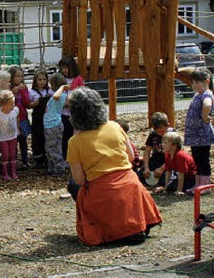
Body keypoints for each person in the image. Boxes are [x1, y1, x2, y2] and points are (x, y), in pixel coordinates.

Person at [66, 87, 162, 246]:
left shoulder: (74, 142)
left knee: (73, 184)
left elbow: (80, 179)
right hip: (129, 185)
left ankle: (103, 225)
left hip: (102, 191)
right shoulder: (115, 126)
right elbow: (131, 157)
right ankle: (136, 224)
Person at [184, 68, 214, 194]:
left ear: (206, 81)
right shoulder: (198, 95)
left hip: (202, 135)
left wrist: (205, 116)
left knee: (203, 160)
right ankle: (197, 185)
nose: (193, 85)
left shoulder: (207, 95)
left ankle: (205, 186)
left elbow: (207, 104)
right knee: (196, 159)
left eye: (196, 82)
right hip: (194, 135)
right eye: (192, 82)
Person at [43, 73, 69, 177]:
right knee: (51, 147)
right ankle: (52, 167)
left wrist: (62, 87)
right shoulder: (60, 96)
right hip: (51, 123)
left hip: (53, 124)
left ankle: (59, 168)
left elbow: (56, 96)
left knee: (53, 148)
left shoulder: (59, 95)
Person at [58, 55, 84, 161]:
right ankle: (66, 156)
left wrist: (72, 102)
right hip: (63, 113)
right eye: (62, 68)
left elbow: (82, 93)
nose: (63, 70)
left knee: (75, 135)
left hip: (74, 112)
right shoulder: (61, 79)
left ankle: (76, 155)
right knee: (65, 135)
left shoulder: (78, 79)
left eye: (65, 68)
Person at [142, 112, 173, 187]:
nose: (160, 134)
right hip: (155, 161)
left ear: (168, 125)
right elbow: (147, 151)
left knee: (166, 180)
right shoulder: (153, 135)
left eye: (162, 131)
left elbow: (175, 155)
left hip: (168, 162)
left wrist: (162, 168)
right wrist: (146, 167)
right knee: (140, 176)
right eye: (158, 132)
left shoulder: (172, 135)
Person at [29, 69, 52, 169]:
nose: (42, 82)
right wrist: (36, 102)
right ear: (35, 81)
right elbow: (29, 105)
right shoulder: (32, 92)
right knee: (37, 136)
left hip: (47, 117)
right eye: (39, 79)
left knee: (46, 136)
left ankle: (47, 157)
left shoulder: (49, 91)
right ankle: (38, 158)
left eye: (44, 79)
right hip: (37, 117)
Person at [9, 66, 31, 169]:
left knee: (23, 140)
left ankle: (25, 161)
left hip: (22, 117)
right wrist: (13, 91)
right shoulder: (8, 87)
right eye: (17, 76)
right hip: (10, 118)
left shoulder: (24, 88)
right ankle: (12, 161)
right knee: (13, 142)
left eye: (21, 76)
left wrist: (22, 91)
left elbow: (27, 102)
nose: (19, 78)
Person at [0, 90, 20, 181]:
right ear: (3, 104)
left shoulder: (15, 110)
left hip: (13, 136)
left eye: (13, 103)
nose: (13, 105)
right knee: (5, 154)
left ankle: (13, 171)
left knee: (13, 154)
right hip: (3, 138)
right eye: (11, 103)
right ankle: (5, 172)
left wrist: (17, 128)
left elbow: (17, 118)